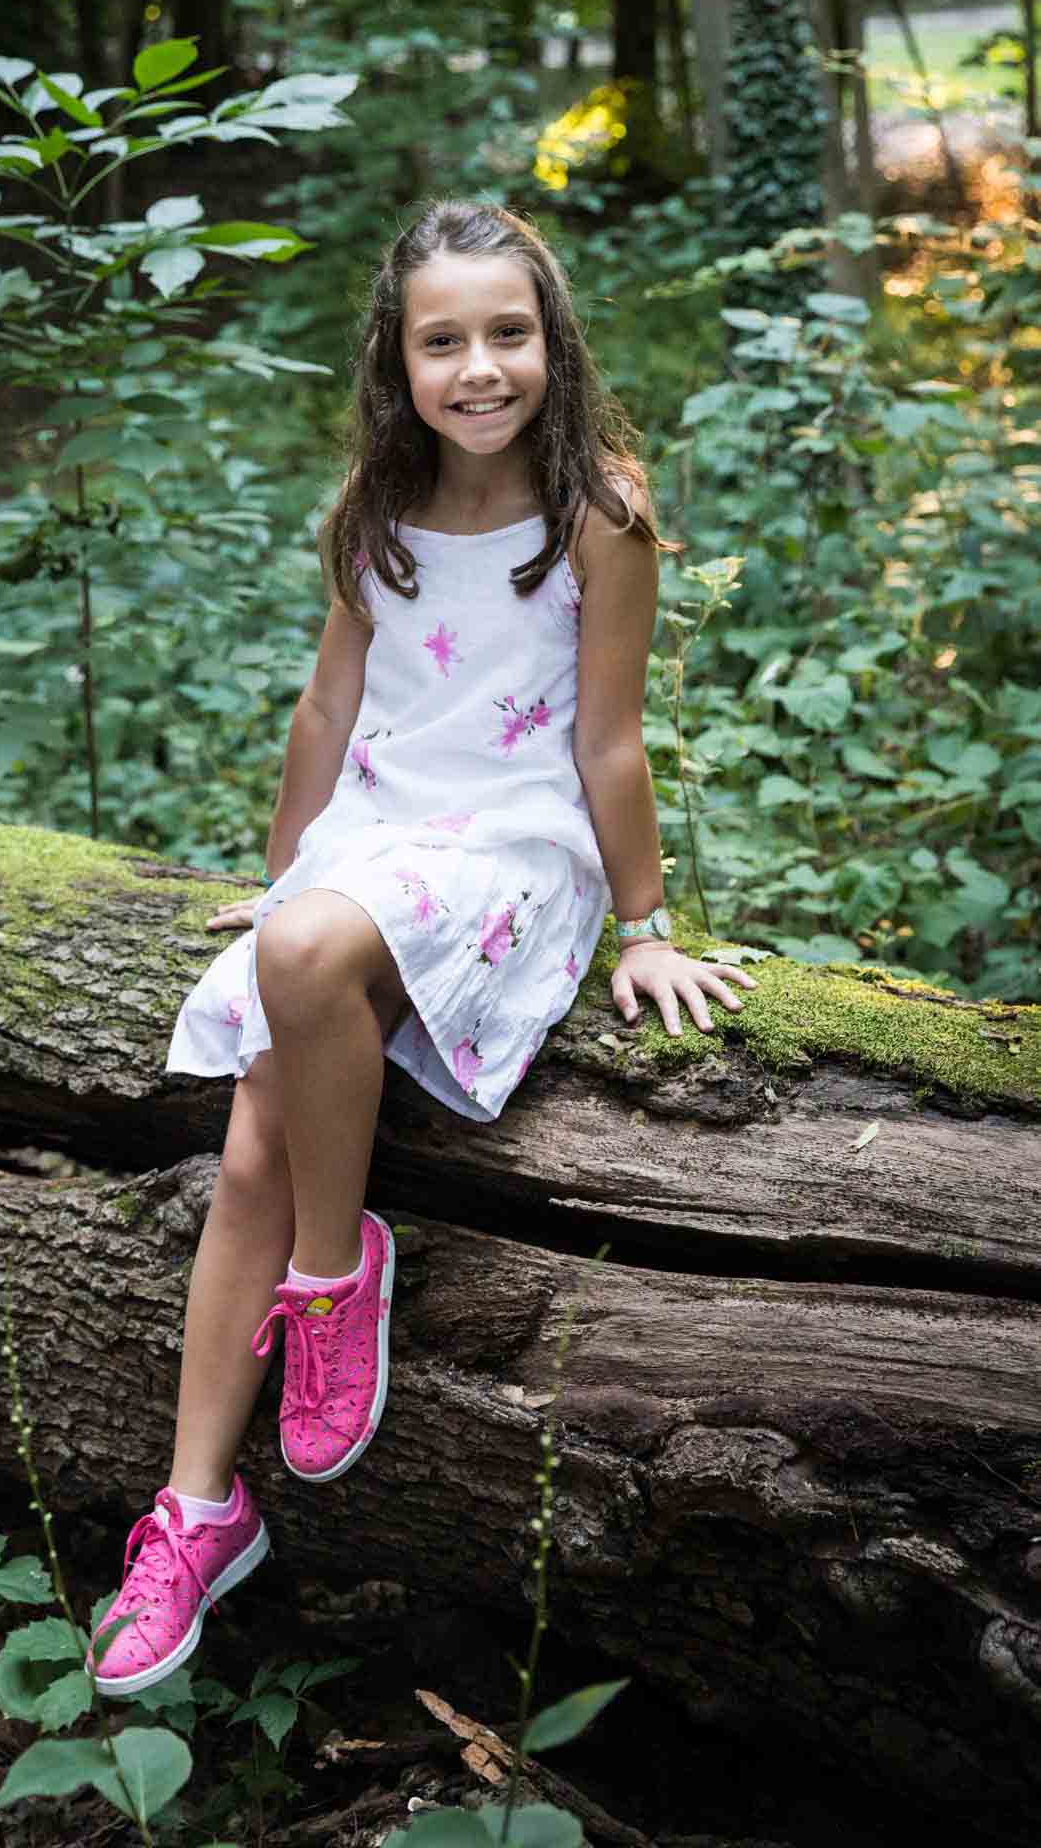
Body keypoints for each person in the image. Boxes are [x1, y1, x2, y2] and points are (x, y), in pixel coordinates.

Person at [87, 198, 758, 1696]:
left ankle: (336, 1277)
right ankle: (197, 1508)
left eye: (506, 335)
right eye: (441, 340)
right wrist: (279, 893)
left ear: (552, 342)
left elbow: (608, 733)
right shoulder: (372, 512)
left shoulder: (602, 506)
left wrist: (645, 925)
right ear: (396, 361)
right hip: (375, 839)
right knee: (263, 1109)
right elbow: (327, 713)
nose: (478, 368)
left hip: (514, 841)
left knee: (308, 986)